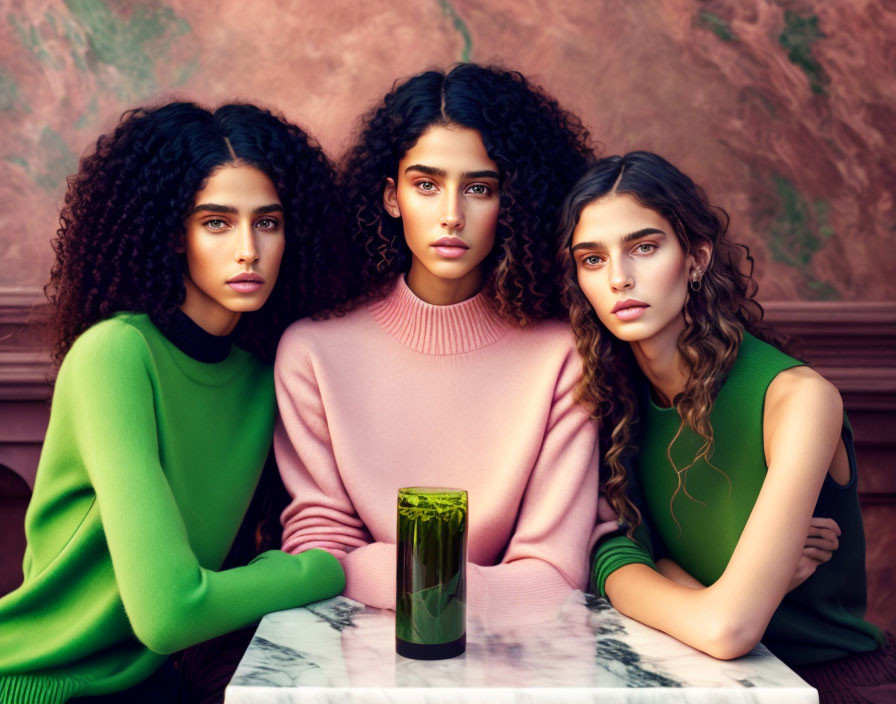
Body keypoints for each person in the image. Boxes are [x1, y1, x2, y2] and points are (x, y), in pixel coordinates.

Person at [0, 102, 346, 703]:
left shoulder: (265, 377)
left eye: (268, 222)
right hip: (41, 685)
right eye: (216, 222)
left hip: (154, 684)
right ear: (169, 232)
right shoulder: (115, 354)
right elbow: (171, 614)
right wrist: (328, 569)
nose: (248, 250)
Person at [557, 151, 895, 701]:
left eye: (644, 247)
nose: (619, 278)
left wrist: (687, 588)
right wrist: (718, 589)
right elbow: (609, 554)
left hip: (827, 682)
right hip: (694, 677)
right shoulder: (611, 396)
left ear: (695, 258)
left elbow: (728, 629)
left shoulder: (798, 400)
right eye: (592, 259)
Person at [274, 63, 599, 625]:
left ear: (512, 201)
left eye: (479, 188)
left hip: (522, 652)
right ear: (392, 196)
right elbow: (320, 552)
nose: (451, 215)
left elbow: (552, 573)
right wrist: (453, 588)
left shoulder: (563, 356)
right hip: (360, 647)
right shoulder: (313, 353)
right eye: (426, 185)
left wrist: (383, 572)